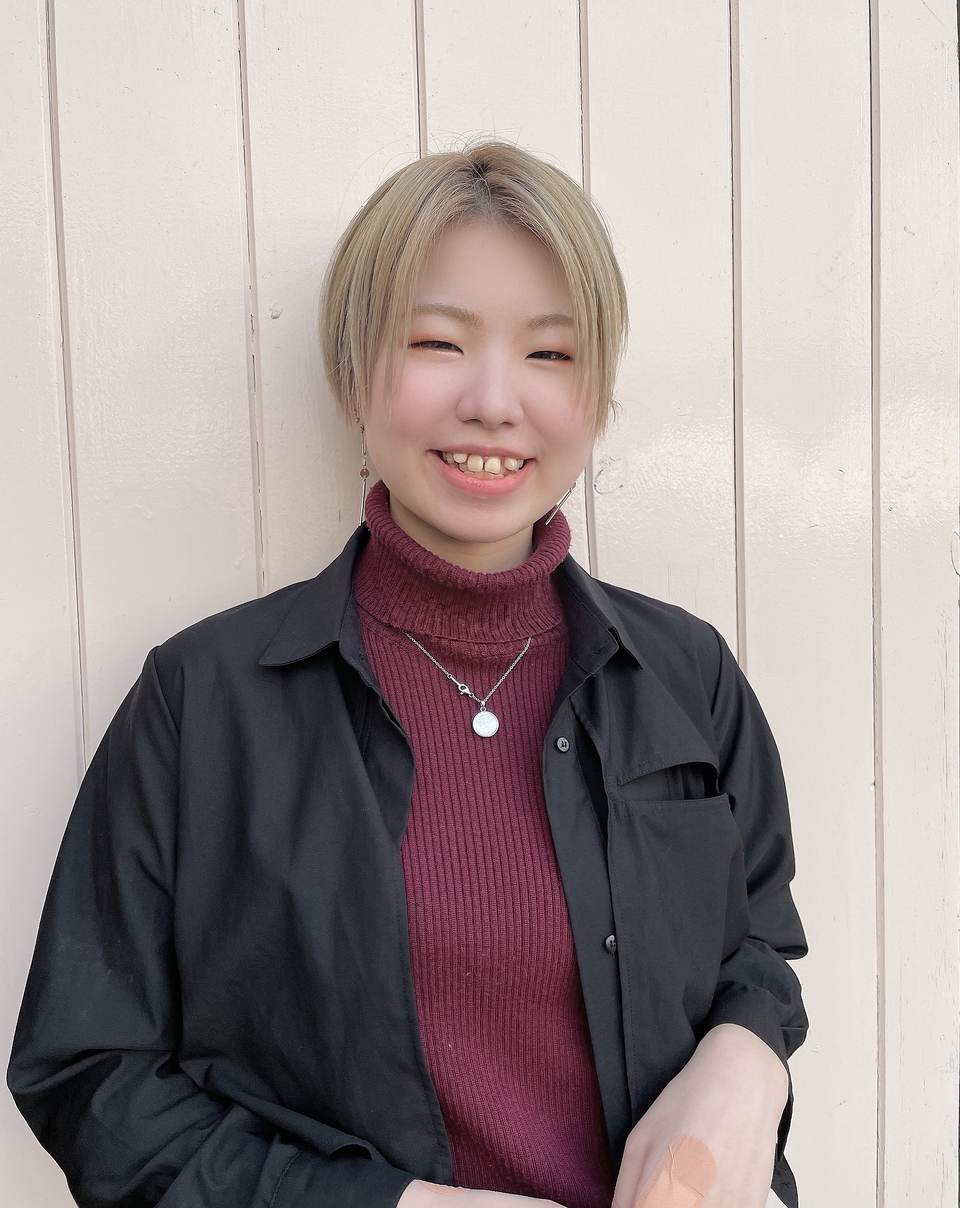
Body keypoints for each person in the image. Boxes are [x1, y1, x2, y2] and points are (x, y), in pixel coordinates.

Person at [8, 142, 807, 1208]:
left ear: (598, 390)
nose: (493, 402)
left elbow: (757, 940)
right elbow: (88, 1073)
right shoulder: (201, 703)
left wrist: (746, 1061)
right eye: (438, 342)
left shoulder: (685, 671)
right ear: (353, 371)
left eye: (551, 352)